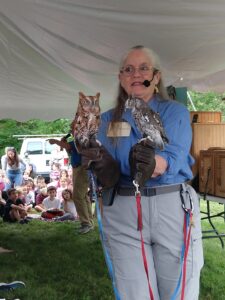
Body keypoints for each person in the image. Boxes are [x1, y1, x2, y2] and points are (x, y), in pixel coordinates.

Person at [80, 45, 204, 299]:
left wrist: (152, 164)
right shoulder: (106, 120)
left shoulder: (174, 111)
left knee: (179, 289)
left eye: (143, 68)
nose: (136, 74)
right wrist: (102, 164)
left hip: (171, 206)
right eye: (128, 69)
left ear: (156, 77)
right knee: (133, 291)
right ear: (120, 78)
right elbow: (109, 173)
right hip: (122, 210)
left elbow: (173, 156)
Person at [48, 129, 94, 234]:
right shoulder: (77, 140)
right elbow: (70, 151)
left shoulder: (81, 139)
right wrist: (63, 143)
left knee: (78, 196)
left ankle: (86, 223)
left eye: (72, 128)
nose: (70, 131)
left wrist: (56, 141)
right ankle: (89, 222)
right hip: (78, 168)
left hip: (82, 169)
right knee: (83, 196)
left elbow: (69, 147)